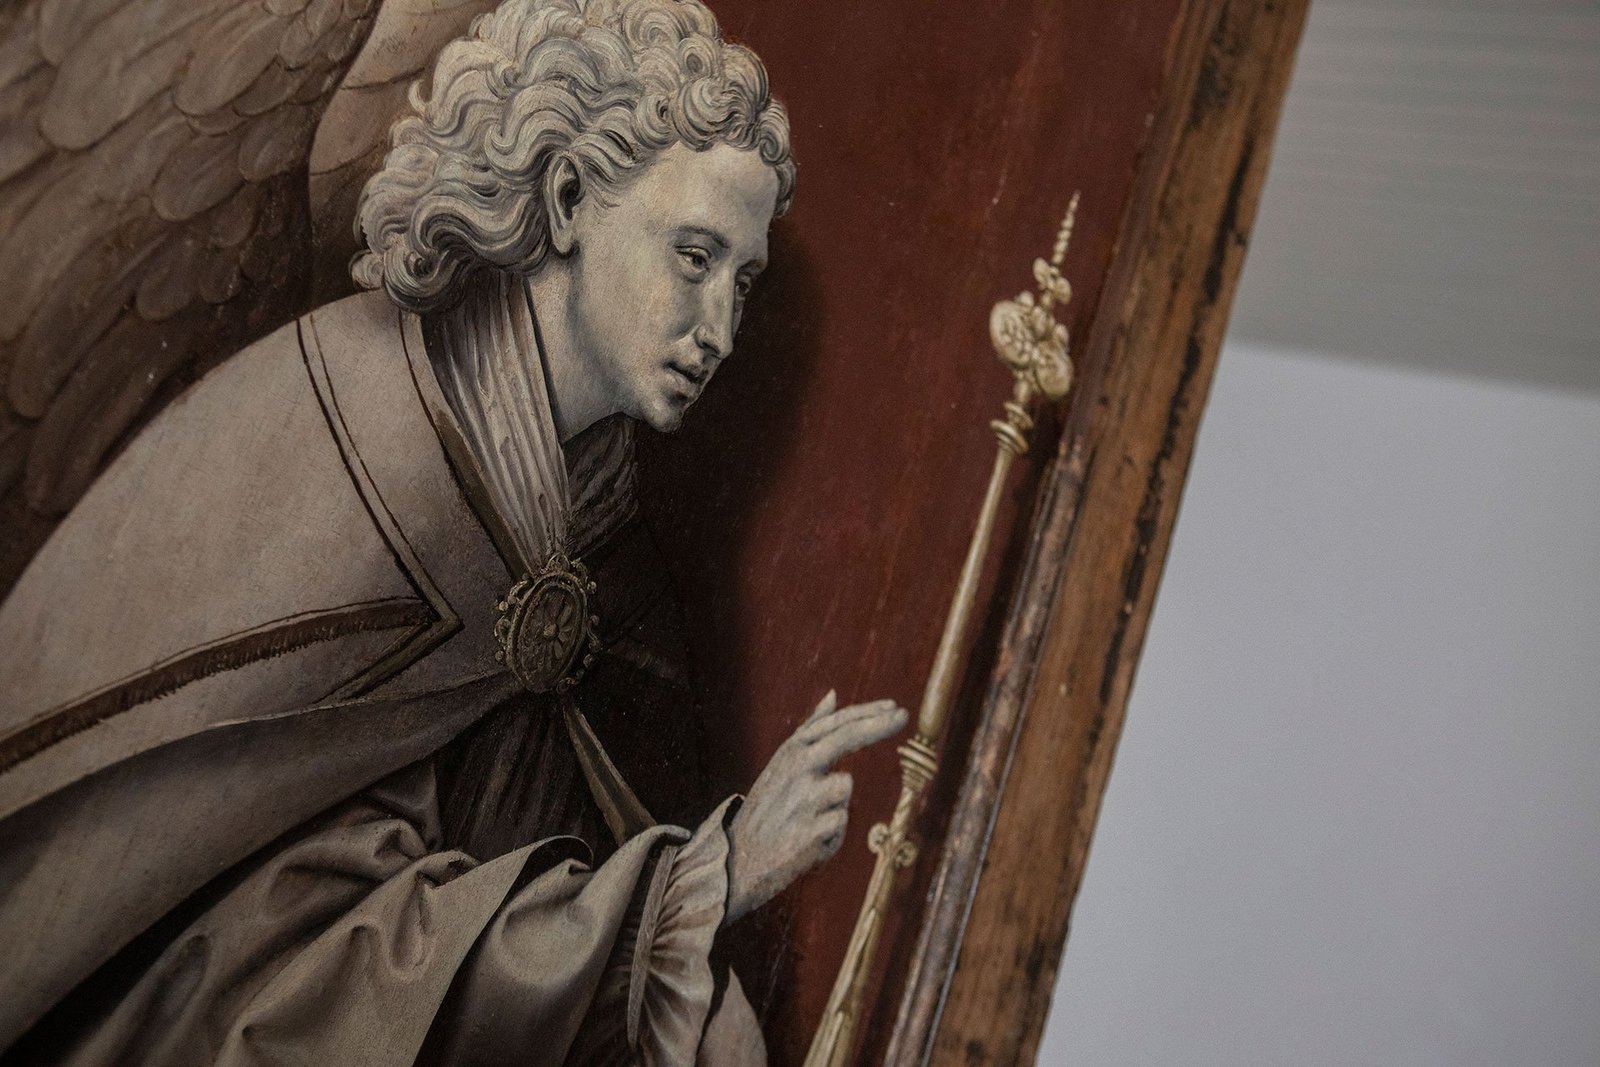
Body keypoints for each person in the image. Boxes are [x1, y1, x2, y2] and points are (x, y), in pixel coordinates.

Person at [0, 0, 906, 1062]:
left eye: (742, 281)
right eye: (694, 256)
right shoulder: (364, 447)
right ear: (568, 200)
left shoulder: (587, 517)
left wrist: (670, 926)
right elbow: (268, 944)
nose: (720, 331)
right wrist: (707, 880)